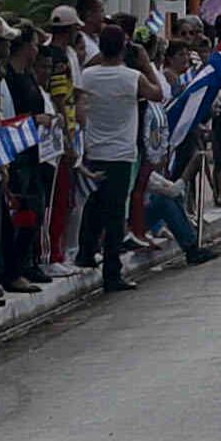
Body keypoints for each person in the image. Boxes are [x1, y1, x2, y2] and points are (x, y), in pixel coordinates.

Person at [72, 27, 156, 289]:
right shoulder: (133, 77)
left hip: (94, 149)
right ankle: (112, 271)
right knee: (116, 212)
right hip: (121, 153)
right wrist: (145, 63)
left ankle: (86, 252)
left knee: (94, 205)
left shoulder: (87, 75)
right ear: (123, 48)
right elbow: (158, 94)